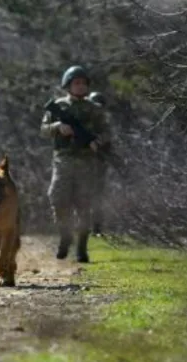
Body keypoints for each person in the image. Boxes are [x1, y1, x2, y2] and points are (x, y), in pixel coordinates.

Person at [40, 66, 110, 263]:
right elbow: (43, 130)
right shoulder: (58, 106)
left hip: (86, 162)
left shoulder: (95, 109)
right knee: (58, 198)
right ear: (68, 85)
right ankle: (65, 235)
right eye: (76, 83)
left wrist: (98, 142)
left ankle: (81, 247)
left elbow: (106, 132)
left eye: (83, 83)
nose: (80, 86)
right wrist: (57, 127)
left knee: (84, 205)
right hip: (62, 160)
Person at [88, 91, 110, 236]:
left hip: (98, 164)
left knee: (97, 197)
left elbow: (107, 141)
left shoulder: (103, 125)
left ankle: (96, 228)